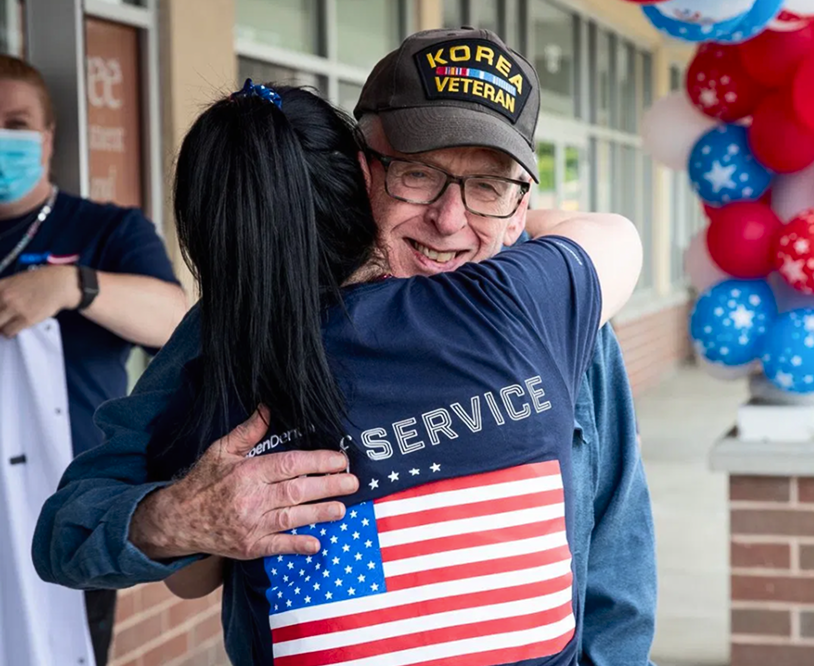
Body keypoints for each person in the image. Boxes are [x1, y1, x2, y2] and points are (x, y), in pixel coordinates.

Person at [34, 28, 656, 665]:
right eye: (419, 175)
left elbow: (616, 564)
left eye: (488, 188)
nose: (450, 221)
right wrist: (180, 518)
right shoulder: (247, 322)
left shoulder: (556, 314)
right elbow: (71, 530)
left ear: (523, 205)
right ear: (362, 169)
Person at [0, 54, 188, 666]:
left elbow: (175, 322)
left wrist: (73, 288)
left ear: (47, 139)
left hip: (65, 510)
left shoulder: (108, 231)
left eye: (16, 122)